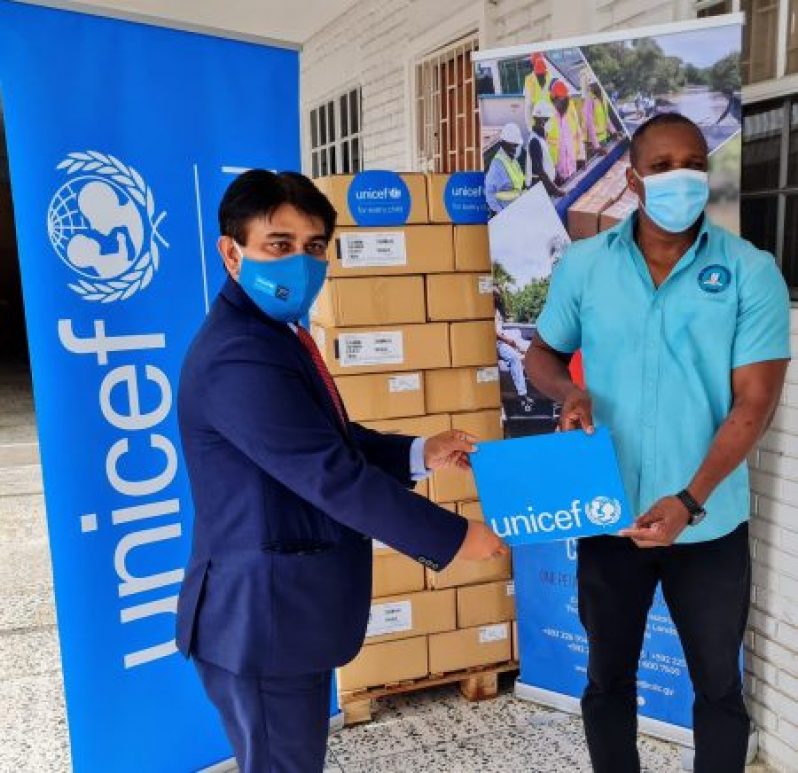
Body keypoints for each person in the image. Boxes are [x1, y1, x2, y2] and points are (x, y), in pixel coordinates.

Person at [176, 170, 508, 772]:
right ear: (232, 252)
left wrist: (418, 452)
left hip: (282, 614)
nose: (300, 263)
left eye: (314, 247)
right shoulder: (240, 353)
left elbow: (328, 441)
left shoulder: (275, 334)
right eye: (279, 244)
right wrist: (456, 536)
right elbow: (331, 477)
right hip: (262, 622)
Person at [526, 113, 790, 773]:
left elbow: (754, 403)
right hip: (608, 516)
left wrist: (688, 501)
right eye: (665, 165)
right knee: (606, 681)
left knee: (719, 690)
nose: (683, 177)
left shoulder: (749, 272)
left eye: (695, 163)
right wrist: (568, 393)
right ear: (633, 178)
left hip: (707, 527)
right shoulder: (585, 264)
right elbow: (541, 355)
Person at [494, 287, 535, 413]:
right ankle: (522, 394)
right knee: (514, 358)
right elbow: (493, 332)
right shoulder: (484, 310)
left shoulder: (496, 311)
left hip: (502, 339)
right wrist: (507, 341)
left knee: (524, 343)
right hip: (497, 343)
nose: (496, 298)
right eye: (494, 295)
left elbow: (500, 330)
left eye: (497, 296)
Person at [526, 101, 564, 197]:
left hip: (545, 185)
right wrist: (555, 189)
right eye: (548, 119)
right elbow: (539, 170)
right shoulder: (534, 141)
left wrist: (557, 176)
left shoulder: (541, 138)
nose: (550, 122)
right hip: (539, 188)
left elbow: (547, 162)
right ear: (542, 120)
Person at [547, 80, 581, 185]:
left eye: (564, 99)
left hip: (572, 166)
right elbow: (543, 147)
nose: (563, 102)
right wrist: (553, 173)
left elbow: (578, 134)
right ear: (554, 98)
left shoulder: (570, 109)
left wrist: (581, 157)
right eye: (560, 99)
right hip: (557, 172)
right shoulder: (547, 113)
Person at [486, 122, 525, 214]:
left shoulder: (513, 159)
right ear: (503, 144)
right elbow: (489, 194)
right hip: (506, 214)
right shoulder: (497, 165)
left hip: (516, 208)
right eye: (513, 145)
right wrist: (502, 214)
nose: (516, 148)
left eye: (517, 145)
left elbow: (518, 183)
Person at [524, 54, 553, 131]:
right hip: (548, 121)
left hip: (538, 121)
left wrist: (530, 128)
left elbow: (528, 106)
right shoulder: (550, 77)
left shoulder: (529, 80)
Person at [583, 82, 612, 155]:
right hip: (593, 142)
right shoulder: (589, 100)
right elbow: (589, 123)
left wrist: (614, 132)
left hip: (603, 138)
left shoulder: (603, 98)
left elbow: (606, 117)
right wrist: (597, 146)